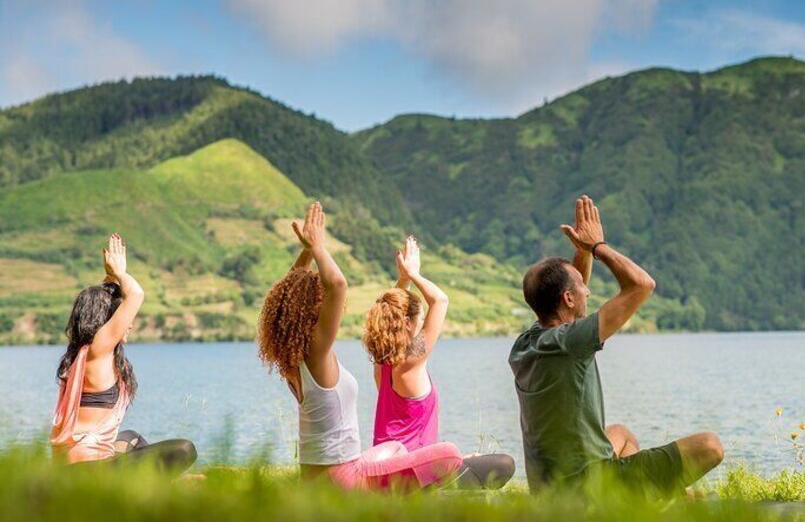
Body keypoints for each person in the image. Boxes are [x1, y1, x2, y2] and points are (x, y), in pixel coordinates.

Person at [509, 195, 723, 495]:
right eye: (583, 289)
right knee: (710, 445)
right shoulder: (572, 342)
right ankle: (651, 503)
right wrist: (598, 248)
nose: (589, 290)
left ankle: (642, 502)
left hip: (549, 489)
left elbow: (571, 288)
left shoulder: (528, 342)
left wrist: (581, 252)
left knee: (620, 434)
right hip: (584, 490)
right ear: (568, 299)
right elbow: (642, 285)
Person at [257, 202, 462, 492]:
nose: (332, 308)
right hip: (342, 480)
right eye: (320, 301)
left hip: (317, 477)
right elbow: (337, 285)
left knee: (394, 450)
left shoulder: (290, 356)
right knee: (450, 453)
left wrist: (305, 252)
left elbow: (285, 303)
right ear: (312, 311)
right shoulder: (316, 352)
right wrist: (317, 246)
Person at [363, 236, 515, 490]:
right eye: (420, 319)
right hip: (411, 479)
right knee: (504, 463)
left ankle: (450, 473)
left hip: (387, 474)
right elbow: (440, 300)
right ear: (409, 323)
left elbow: (393, 310)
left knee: (465, 461)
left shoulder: (382, 364)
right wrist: (414, 274)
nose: (423, 324)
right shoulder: (410, 363)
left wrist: (403, 282)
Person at [50, 234, 197, 475]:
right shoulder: (97, 350)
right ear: (104, 322)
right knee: (184, 449)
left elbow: (106, 301)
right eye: (120, 317)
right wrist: (120, 273)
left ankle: (159, 488)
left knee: (132, 439)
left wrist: (110, 278)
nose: (128, 324)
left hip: (75, 467)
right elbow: (136, 295)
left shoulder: (84, 353)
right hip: (84, 472)